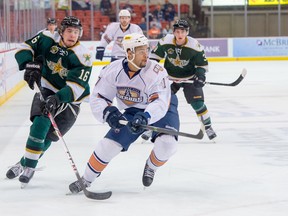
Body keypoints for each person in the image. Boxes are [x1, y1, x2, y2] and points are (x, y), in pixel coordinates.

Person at [68, 33, 179, 193]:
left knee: (168, 144)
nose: (146, 55)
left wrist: (146, 117)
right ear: (129, 53)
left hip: (162, 108)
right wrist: (108, 112)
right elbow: (99, 97)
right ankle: (86, 179)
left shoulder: (156, 70)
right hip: (134, 110)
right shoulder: (112, 70)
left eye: (146, 50)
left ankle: (151, 166)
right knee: (108, 146)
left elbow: (160, 102)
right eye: (141, 51)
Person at [5, 16, 92, 187]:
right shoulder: (47, 38)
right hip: (47, 87)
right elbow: (25, 47)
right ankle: (30, 167)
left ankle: (22, 163)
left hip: (71, 100)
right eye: (69, 31)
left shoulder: (84, 56)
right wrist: (29, 64)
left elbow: (77, 87)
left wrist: (58, 98)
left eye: (76, 32)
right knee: (40, 122)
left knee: (49, 137)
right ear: (61, 31)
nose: (73, 35)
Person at [146, 19, 217, 140]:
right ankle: (151, 127)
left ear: (187, 32)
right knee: (160, 103)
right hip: (170, 79)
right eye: (177, 31)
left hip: (189, 78)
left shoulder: (195, 46)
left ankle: (208, 126)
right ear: (173, 32)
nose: (180, 35)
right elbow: (154, 58)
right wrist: (152, 72)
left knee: (198, 104)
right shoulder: (165, 41)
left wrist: (200, 76)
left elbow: (201, 65)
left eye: (182, 32)